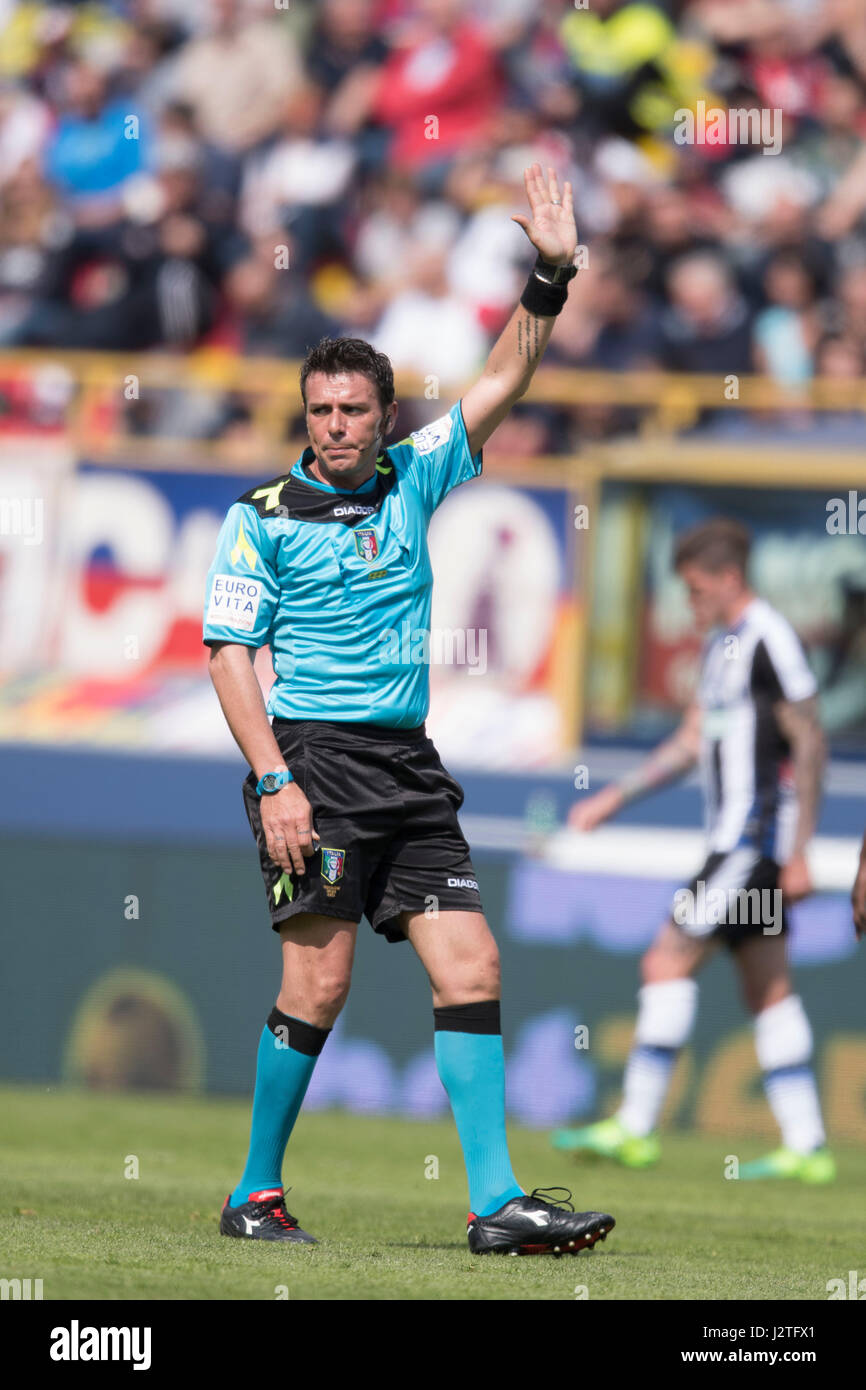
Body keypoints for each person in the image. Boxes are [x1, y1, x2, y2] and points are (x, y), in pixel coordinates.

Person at [202, 163, 615, 1255]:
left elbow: (498, 383)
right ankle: (255, 1191)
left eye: (352, 410)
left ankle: (493, 1205)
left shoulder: (412, 478)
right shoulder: (259, 520)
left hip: (410, 767)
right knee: (319, 981)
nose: (335, 426)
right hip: (314, 766)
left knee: (472, 965)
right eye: (320, 410)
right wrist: (273, 781)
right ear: (307, 415)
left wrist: (550, 275)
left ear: (384, 416)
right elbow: (231, 658)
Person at [553, 519, 837, 1184]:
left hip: (751, 842)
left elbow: (812, 739)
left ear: (730, 578)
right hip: (742, 842)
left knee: (665, 958)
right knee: (766, 985)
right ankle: (808, 1145)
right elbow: (688, 743)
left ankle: (636, 1125)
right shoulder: (722, 648)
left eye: (696, 587)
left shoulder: (769, 636)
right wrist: (612, 799)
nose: (690, 602)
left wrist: (799, 853)